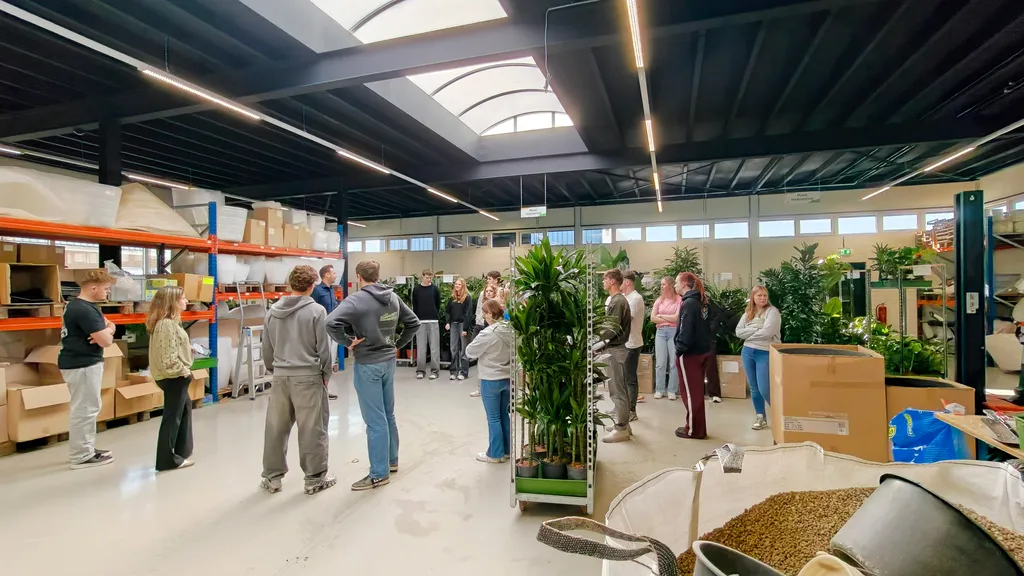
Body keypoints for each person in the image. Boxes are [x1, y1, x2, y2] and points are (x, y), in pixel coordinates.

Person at [327, 260, 420, 491]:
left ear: (359, 276)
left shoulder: (357, 299)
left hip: (368, 363)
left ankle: (379, 474)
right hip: (389, 361)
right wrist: (397, 343)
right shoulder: (393, 297)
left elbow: (330, 322)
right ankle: (391, 461)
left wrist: (348, 342)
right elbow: (413, 323)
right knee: (387, 414)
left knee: (374, 420)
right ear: (378, 275)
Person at [260, 265, 336, 495]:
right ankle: (314, 479)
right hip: (309, 377)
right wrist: (325, 375)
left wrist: (277, 370)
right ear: (313, 286)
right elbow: (324, 349)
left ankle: (272, 478)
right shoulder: (317, 311)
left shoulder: (272, 312)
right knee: (312, 428)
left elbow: (267, 349)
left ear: (290, 284)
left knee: (275, 428)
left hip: (281, 377)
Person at [59, 269, 116, 469]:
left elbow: (110, 327)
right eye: (106, 289)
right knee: (85, 410)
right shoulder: (83, 309)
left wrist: (106, 330)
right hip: (82, 364)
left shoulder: (83, 306)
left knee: (89, 408)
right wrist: (106, 333)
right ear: (93, 288)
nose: (108, 292)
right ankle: (81, 456)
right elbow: (107, 341)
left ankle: (87, 448)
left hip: (84, 363)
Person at [147, 286, 195, 472]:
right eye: (182, 298)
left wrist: (187, 349)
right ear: (172, 302)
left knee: (183, 410)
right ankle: (167, 459)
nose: (186, 301)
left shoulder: (171, 323)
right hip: (174, 376)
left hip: (175, 375)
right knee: (172, 417)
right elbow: (167, 358)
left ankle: (181, 451)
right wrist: (183, 371)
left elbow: (170, 347)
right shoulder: (166, 324)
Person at [465, 299, 513, 463]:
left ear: (491, 314)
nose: (483, 316)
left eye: (485, 312)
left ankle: (495, 454)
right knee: (504, 415)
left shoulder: (488, 333)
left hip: (490, 379)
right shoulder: (511, 330)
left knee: (493, 418)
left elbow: (470, 351)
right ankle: (507, 451)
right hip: (507, 378)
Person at [674, 272, 714, 440]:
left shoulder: (689, 304)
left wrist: (679, 349)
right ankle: (696, 426)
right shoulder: (699, 301)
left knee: (690, 393)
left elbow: (686, 330)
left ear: (684, 283)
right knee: (695, 392)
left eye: (676, 282)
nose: (675, 285)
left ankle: (693, 430)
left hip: (690, 354)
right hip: (701, 351)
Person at [735, 285, 781, 430]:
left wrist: (749, 333)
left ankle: (782, 415)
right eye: (759, 295)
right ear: (753, 297)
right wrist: (756, 328)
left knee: (764, 388)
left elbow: (768, 333)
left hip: (765, 352)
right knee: (754, 388)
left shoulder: (772, 312)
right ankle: (760, 417)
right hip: (748, 351)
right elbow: (738, 332)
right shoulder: (748, 312)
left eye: (765, 296)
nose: (762, 298)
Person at [597, 269, 632, 443]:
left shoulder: (618, 301)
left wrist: (598, 342)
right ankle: (624, 423)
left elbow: (612, 328)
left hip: (615, 350)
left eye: (605, 279)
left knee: (617, 391)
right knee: (619, 388)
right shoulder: (617, 300)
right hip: (615, 349)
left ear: (612, 281)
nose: (603, 282)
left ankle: (622, 428)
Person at [311, 264, 339, 400]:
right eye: (333, 273)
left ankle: (326, 389)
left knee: (330, 361)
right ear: (326, 274)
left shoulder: (331, 290)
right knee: (323, 361)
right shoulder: (317, 291)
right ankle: (321, 391)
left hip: (333, 329)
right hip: (322, 330)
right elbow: (312, 310)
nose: (335, 275)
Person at [650, 276, 681, 401]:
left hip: (673, 331)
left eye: (663, 284)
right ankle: (660, 389)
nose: (661, 286)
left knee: (673, 363)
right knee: (660, 363)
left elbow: (676, 318)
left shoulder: (679, 300)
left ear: (670, 285)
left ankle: (672, 390)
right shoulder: (659, 300)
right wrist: (668, 317)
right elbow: (653, 318)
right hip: (660, 332)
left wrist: (661, 315)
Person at [621, 270, 646, 418]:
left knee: (630, 379)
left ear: (627, 282)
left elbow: (625, 320)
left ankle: (631, 410)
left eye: (621, 281)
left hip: (632, 344)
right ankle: (622, 407)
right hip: (623, 344)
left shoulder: (635, 299)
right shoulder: (624, 297)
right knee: (621, 379)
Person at [468, 284, 500, 398]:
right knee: (480, 359)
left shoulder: (496, 306)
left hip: (491, 332)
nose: (488, 293)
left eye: (491, 291)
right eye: (487, 291)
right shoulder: (483, 303)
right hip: (480, 327)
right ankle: (480, 388)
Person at [411, 269, 441, 380]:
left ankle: (435, 371)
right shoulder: (417, 289)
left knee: (434, 348)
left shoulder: (435, 289)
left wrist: (434, 314)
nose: (429, 280)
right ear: (422, 276)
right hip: (420, 321)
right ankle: (420, 370)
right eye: (427, 277)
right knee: (421, 347)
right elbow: (415, 304)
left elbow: (437, 304)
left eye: (430, 278)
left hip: (433, 321)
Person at [445, 277, 473, 381]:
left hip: (462, 324)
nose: (457, 286)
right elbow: (447, 311)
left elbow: (468, 313)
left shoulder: (467, 298)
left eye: (459, 284)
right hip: (454, 324)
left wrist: (465, 328)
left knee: (464, 349)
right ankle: (453, 371)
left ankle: (464, 372)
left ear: (463, 286)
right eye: (456, 284)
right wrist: (448, 322)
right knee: (453, 348)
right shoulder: (452, 298)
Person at [473, 271, 502, 337]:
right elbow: (479, 307)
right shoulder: (483, 293)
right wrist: (478, 320)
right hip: (482, 321)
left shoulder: (501, 292)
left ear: (496, 280)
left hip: (495, 321)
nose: (487, 280)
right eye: (487, 279)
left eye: (489, 279)